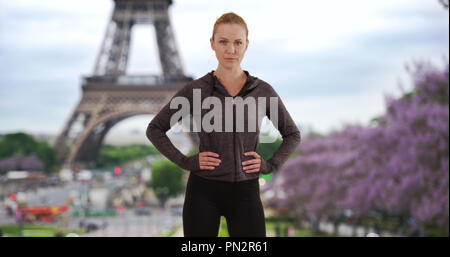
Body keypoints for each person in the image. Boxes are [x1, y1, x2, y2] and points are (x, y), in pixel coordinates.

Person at [146, 12, 301, 237]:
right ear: (212, 44)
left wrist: (269, 165)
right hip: (202, 192)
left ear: (247, 45)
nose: (231, 50)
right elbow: (155, 129)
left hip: (246, 192)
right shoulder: (195, 90)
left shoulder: (263, 92)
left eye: (238, 42)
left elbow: (292, 134)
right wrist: (185, 161)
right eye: (223, 42)